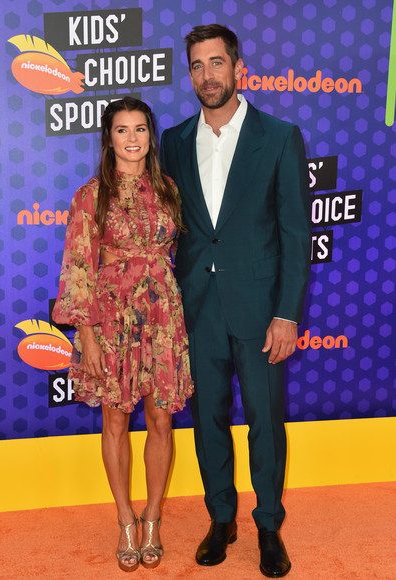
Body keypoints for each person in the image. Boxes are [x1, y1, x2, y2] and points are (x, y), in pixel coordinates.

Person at [160, 25, 311, 577]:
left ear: (238, 68)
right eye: (197, 66)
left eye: (217, 63)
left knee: (266, 422)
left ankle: (268, 525)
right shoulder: (174, 141)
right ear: (190, 75)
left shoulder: (279, 137)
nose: (208, 75)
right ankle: (221, 517)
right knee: (208, 420)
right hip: (197, 308)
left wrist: (287, 313)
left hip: (261, 310)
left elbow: (295, 233)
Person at [52, 96, 194, 572]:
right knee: (114, 421)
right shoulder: (91, 195)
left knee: (161, 420)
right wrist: (88, 335)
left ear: (150, 135)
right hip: (111, 318)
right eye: (122, 130)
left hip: (161, 315)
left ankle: (152, 517)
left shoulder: (169, 188)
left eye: (140, 129)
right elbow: (77, 266)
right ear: (108, 138)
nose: (132, 139)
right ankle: (125, 520)